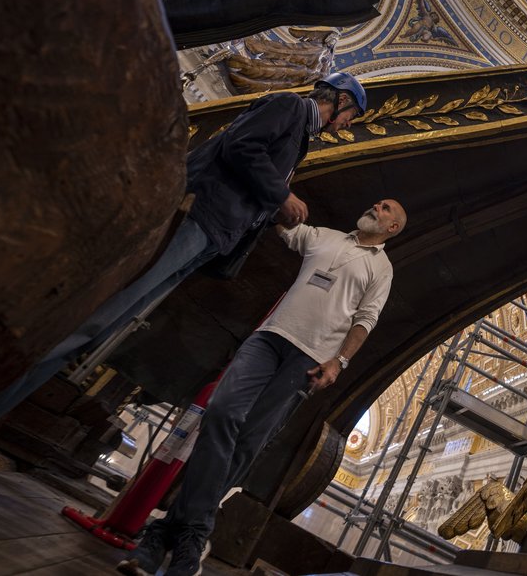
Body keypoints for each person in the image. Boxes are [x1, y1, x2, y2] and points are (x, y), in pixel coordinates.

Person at [0, 72, 369, 525]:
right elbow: (241, 148)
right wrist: (282, 197)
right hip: (194, 222)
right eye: (352, 116)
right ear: (340, 101)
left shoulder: (299, 136)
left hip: (208, 237)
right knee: (78, 326)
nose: (346, 127)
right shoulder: (289, 108)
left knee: (91, 334)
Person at [118, 199, 406, 576]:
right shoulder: (325, 237)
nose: (375, 206)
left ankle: (162, 536)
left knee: (249, 442)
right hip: (270, 338)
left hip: (309, 358)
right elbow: (284, 225)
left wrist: (339, 361)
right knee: (221, 411)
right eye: (378, 203)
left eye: (385, 209)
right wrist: (281, 195)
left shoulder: (381, 268)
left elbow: (366, 319)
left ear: (392, 228)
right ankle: (195, 531)